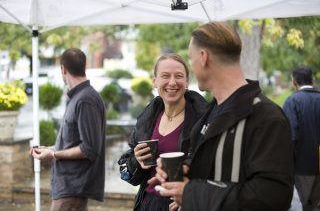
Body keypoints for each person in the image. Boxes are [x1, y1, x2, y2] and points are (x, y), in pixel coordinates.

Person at [152, 22, 295, 211]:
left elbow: (274, 196)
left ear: (203, 57)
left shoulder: (267, 117)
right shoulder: (211, 112)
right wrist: (182, 169)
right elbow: (213, 166)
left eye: (190, 58)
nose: (192, 68)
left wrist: (192, 193)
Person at [118, 53, 208, 211]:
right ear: (155, 81)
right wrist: (135, 161)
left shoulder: (202, 121)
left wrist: (191, 197)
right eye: (165, 76)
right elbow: (124, 174)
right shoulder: (148, 119)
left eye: (179, 76)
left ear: (187, 81)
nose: (172, 82)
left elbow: (215, 172)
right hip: (147, 204)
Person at [31, 48, 106, 211]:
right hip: (67, 188)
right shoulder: (78, 97)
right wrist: (49, 149)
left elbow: (90, 149)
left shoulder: (86, 99)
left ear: (63, 69)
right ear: (84, 67)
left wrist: (52, 154)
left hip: (74, 188)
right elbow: (73, 141)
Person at [283, 65, 320, 211]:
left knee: (309, 205)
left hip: (303, 167)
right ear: (312, 80)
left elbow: (289, 137)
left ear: (294, 82)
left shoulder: (292, 102)